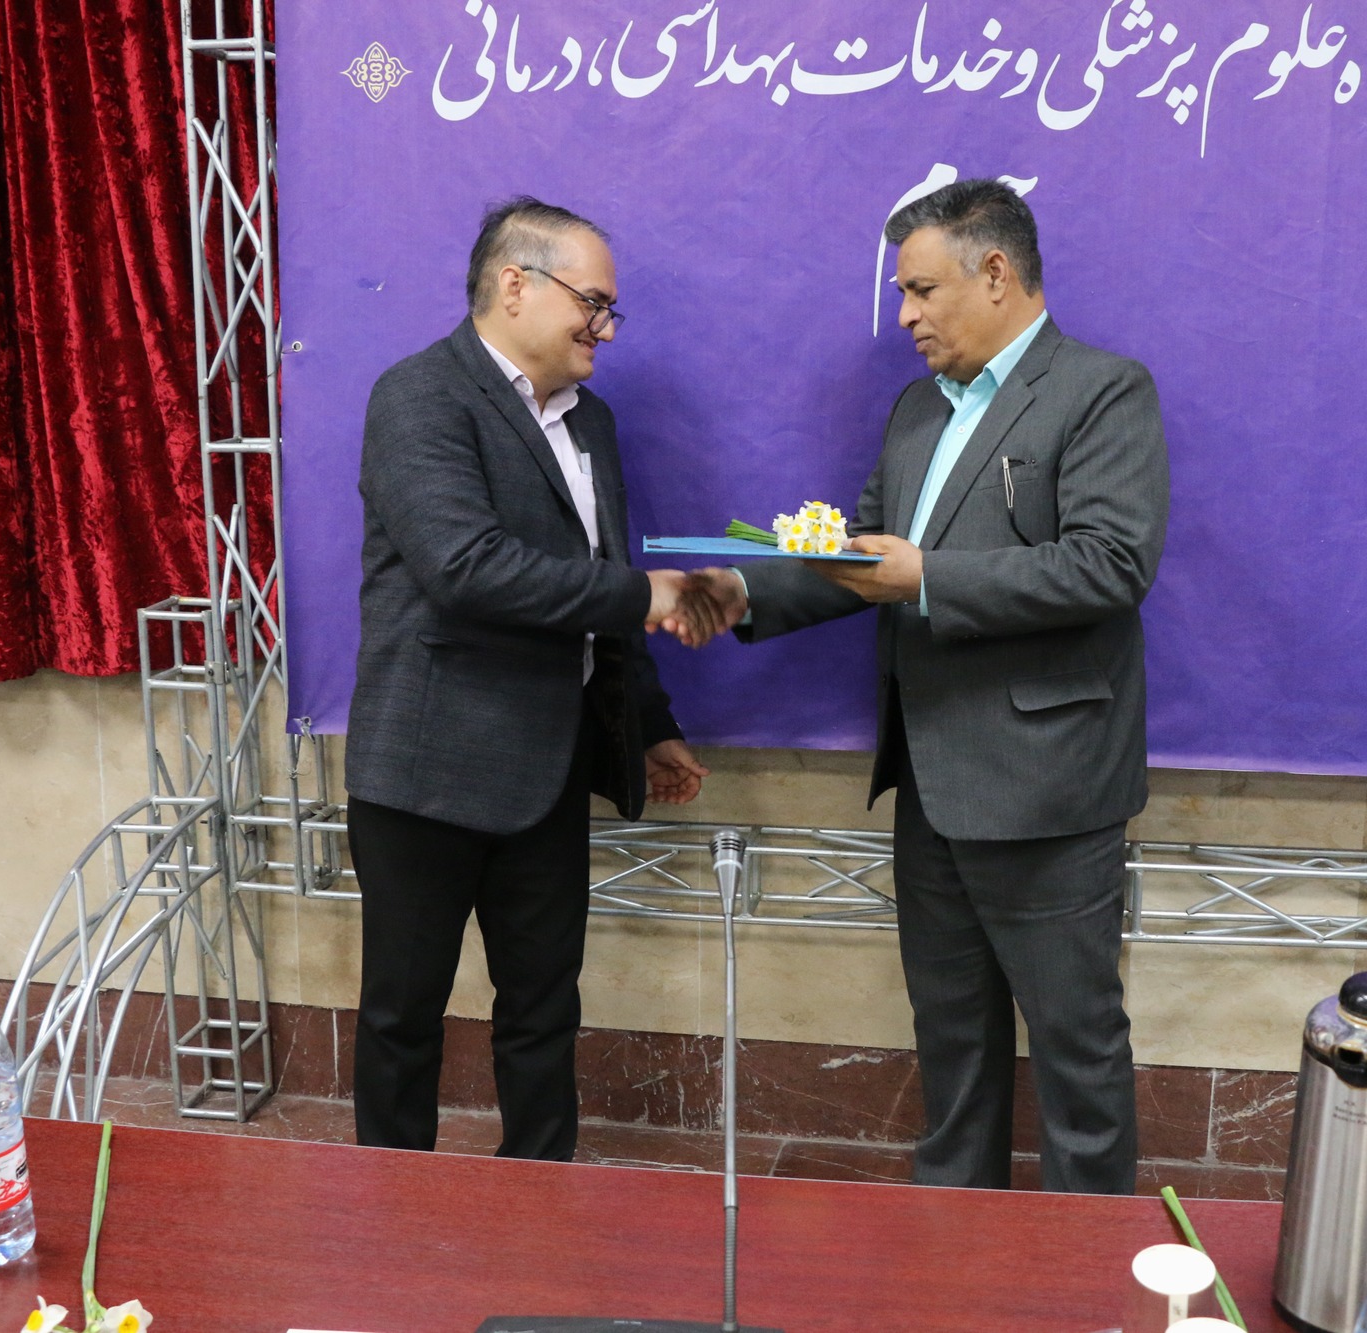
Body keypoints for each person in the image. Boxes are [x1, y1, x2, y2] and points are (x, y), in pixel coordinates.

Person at [671, 179, 1171, 1193]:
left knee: (1075, 1050)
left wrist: (930, 577)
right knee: (950, 1044)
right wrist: (741, 590)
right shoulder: (916, 410)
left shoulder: (1101, 391)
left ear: (996, 273)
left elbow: (1110, 564)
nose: (902, 315)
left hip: (1046, 789)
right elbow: (859, 558)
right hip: (930, 784)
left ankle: (1082, 1258)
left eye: (920, 289)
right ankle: (952, 1247)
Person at [345, 196, 713, 1160]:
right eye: (593, 303)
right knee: (401, 1017)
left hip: (548, 768)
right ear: (516, 284)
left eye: (609, 309)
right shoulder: (420, 396)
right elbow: (465, 568)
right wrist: (643, 594)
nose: (605, 328)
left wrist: (649, 722)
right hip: (426, 773)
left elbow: (604, 578)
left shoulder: (592, 424)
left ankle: (542, 1204)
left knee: (545, 1012)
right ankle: (392, 1210)